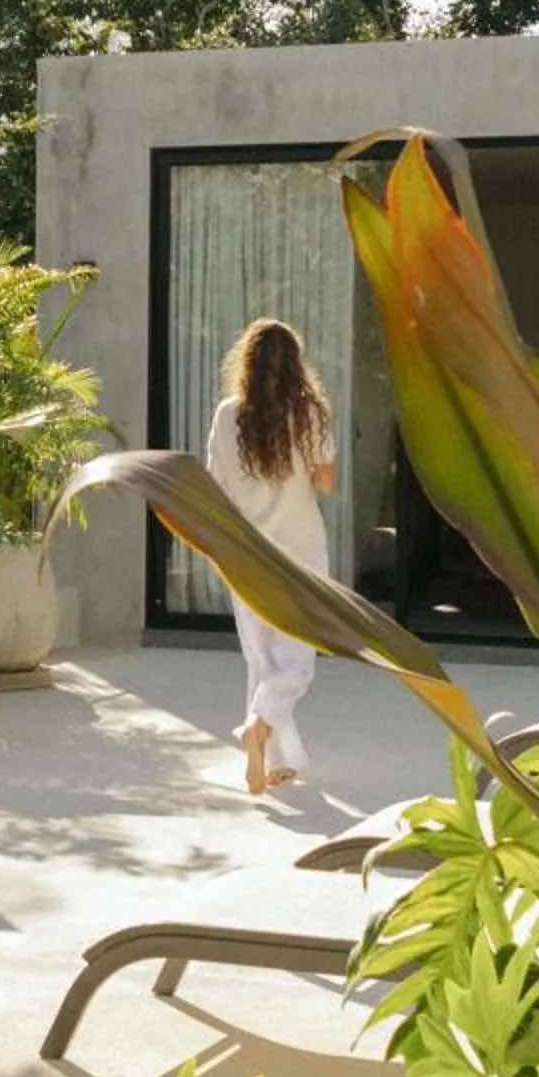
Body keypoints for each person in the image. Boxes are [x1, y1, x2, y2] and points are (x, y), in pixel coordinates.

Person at [204, 318, 337, 794]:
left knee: (260, 659)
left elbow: (213, 486)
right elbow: (324, 482)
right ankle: (259, 729)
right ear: (296, 366)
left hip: (245, 552)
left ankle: (274, 760)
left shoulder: (226, 415)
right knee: (296, 661)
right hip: (299, 551)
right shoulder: (311, 415)